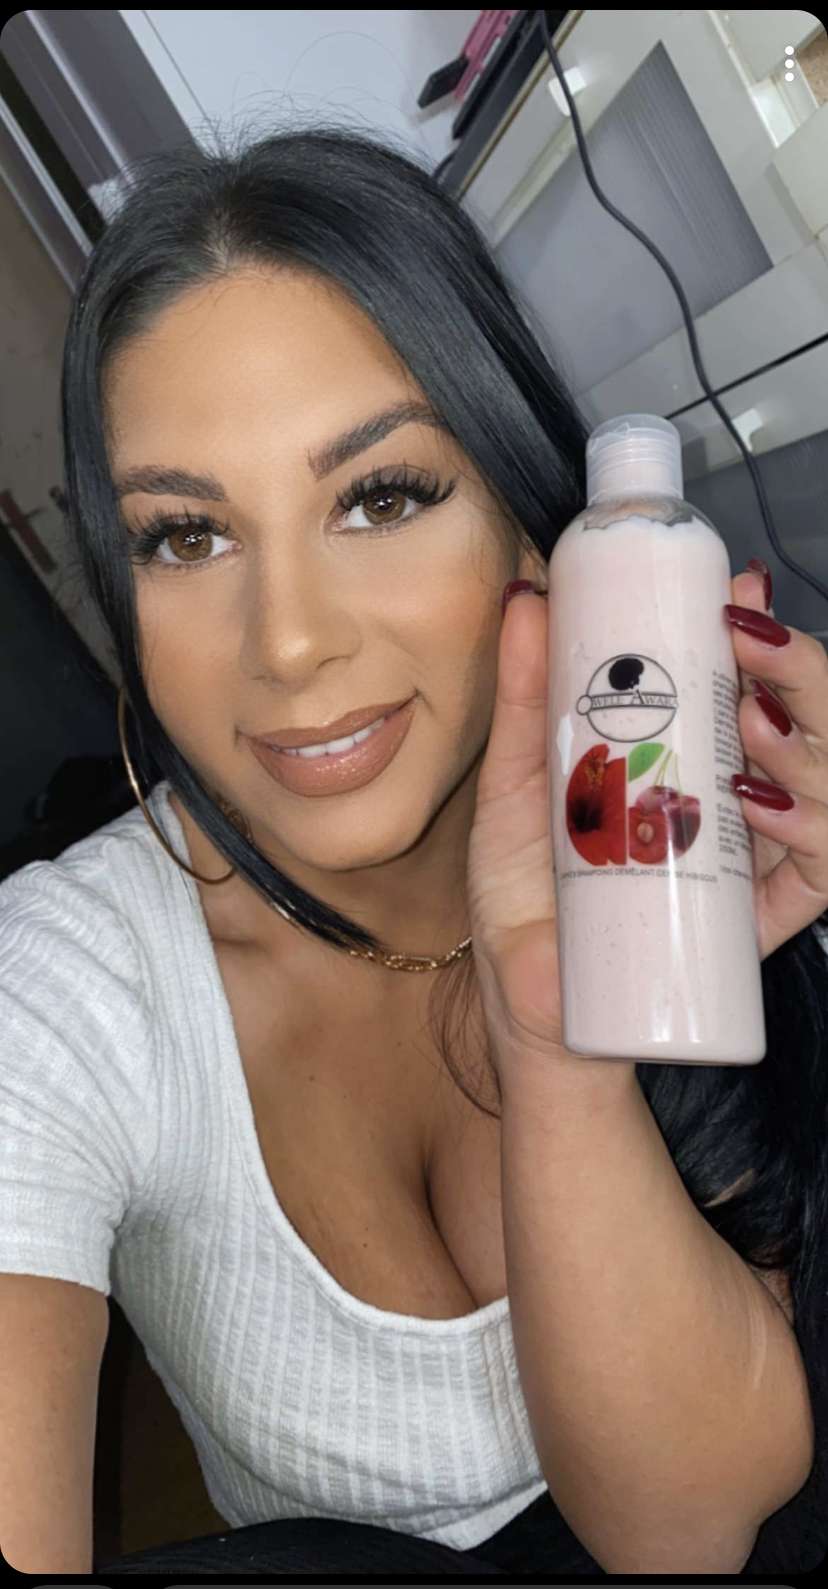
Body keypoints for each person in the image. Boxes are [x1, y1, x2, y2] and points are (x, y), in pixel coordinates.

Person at [1, 117, 827, 1578]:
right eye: (187, 536)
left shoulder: (674, 828)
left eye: (380, 498)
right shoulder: (64, 990)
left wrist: (554, 1044)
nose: (290, 642)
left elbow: (689, 1526)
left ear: (532, 528)